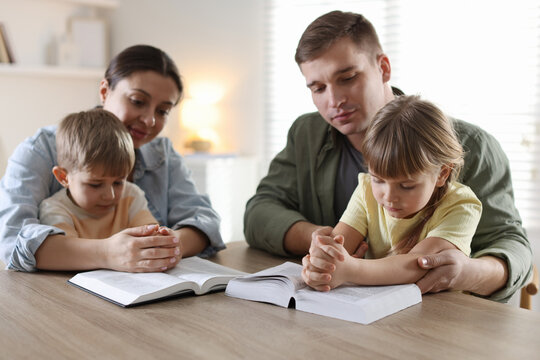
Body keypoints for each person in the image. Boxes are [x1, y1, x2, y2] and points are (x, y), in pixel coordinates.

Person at [244, 11, 532, 301]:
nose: (334, 101)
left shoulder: (473, 146)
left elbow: (513, 247)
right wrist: (322, 243)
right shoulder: (306, 133)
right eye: (318, 88)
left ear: (383, 67)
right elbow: (259, 211)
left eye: (347, 78)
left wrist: (470, 272)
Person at [0, 44, 225, 272]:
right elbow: (12, 240)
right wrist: (108, 253)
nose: (149, 120)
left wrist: (159, 248)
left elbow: (204, 221)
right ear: (105, 91)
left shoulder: (161, 151)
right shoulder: (41, 149)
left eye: (163, 111)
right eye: (138, 101)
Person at [301, 95, 482, 291]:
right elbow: (339, 248)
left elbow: (418, 266)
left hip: (439, 312)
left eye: (406, 186)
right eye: (378, 179)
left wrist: (351, 270)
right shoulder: (366, 189)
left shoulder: (461, 205)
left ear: (442, 173)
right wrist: (321, 264)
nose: (388, 197)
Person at [40, 109, 165, 241]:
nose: (110, 195)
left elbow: (152, 238)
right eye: (95, 184)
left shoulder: (131, 196)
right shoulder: (54, 209)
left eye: (118, 182)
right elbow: (69, 252)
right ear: (63, 177)